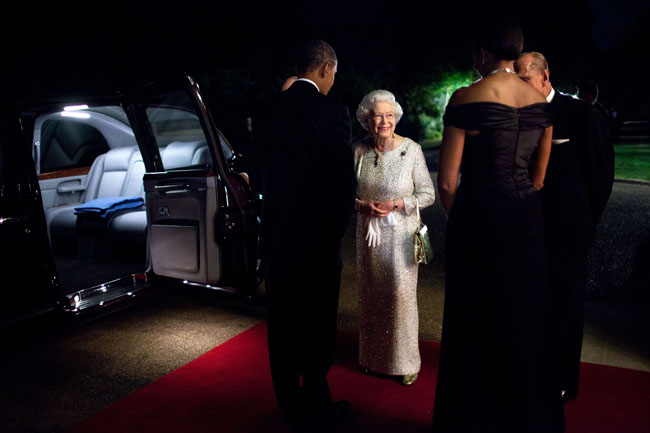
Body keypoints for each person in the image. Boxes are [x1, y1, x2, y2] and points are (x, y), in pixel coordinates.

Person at [432, 19, 565, 432]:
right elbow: (539, 178)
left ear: (483, 54)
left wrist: (467, 220)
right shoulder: (542, 103)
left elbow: (448, 182)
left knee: (475, 322)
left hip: (479, 220)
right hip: (527, 221)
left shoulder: (465, 97)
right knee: (523, 318)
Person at [255, 39, 356, 432]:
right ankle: (316, 400)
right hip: (316, 241)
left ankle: (288, 404)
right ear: (326, 68)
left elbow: (258, 171)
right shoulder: (332, 111)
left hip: (279, 238)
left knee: (281, 322)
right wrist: (333, 233)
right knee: (317, 322)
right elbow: (341, 182)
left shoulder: (268, 110)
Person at [515, 52, 614, 403]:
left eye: (524, 79)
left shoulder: (582, 114)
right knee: (530, 305)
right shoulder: (517, 116)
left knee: (565, 307)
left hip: (568, 232)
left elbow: (601, 175)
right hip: (526, 230)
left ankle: (560, 382)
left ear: (545, 77)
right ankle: (531, 373)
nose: (519, 87)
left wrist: (585, 222)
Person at [352, 90, 435, 386]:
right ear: (367, 119)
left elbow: (428, 194)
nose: (384, 121)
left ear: (396, 118)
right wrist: (362, 205)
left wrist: (397, 204)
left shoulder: (411, 150)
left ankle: (406, 362)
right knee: (372, 297)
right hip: (369, 239)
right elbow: (346, 193)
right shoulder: (358, 151)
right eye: (377, 115)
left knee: (399, 299)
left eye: (389, 115)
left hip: (400, 239)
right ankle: (373, 359)